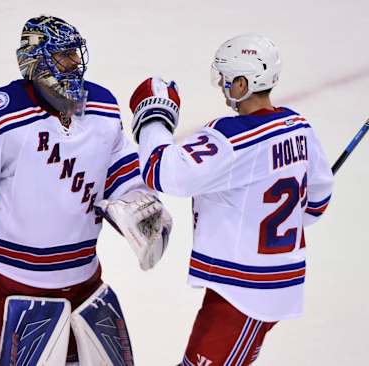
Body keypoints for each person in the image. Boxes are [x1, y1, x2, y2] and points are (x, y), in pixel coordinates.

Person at [0, 15, 171, 365]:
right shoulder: (0, 114)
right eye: (63, 55)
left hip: (84, 283)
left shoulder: (102, 107)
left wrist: (138, 206)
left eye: (75, 54)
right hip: (13, 284)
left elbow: (123, 177)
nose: (75, 64)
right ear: (35, 60)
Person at [129, 34, 334, 365]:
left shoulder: (231, 138)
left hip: (244, 293)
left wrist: (154, 117)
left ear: (242, 83)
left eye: (226, 77)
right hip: (260, 284)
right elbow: (318, 200)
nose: (221, 83)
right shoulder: (299, 126)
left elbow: (163, 172)